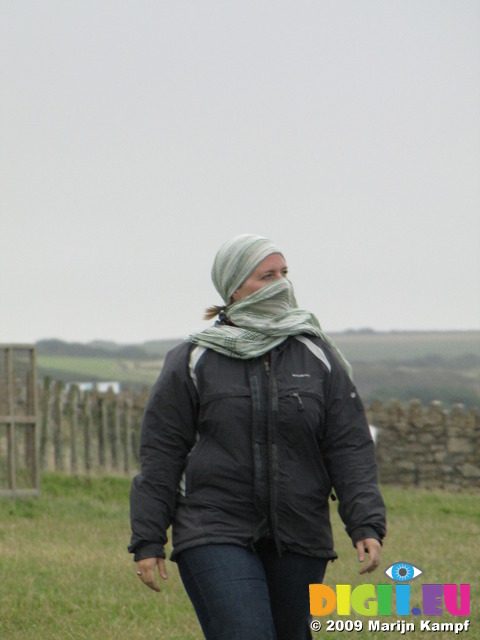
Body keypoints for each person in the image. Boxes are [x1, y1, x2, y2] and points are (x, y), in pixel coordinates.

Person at [128, 233, 386, 640]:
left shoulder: (318, 355)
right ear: (234, 287)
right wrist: (147, 538)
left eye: (284, 273)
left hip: (300, 532)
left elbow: (349, 446)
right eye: (267, 276)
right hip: (213, 527)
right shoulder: (193, 360)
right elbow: (162, 452)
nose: (281, 284)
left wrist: (366, 523)